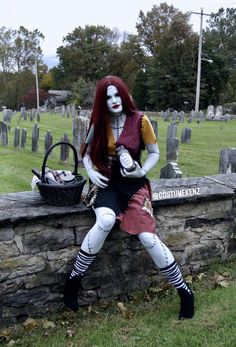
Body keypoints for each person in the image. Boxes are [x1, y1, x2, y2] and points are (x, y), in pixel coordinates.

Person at [63, 75, 194, 320]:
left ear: (124, 94)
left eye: (117, 95)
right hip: (107, 183)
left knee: (147, 237)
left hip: (134, 185)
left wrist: (142, 171)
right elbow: (87, 153)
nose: (113, 101)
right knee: (104, 221)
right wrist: (91, 171)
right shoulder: (99, 122)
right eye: (108, 97)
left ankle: (184, 291)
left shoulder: (140, 121)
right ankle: (73, 280)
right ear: (102, 101)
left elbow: (154, 152)